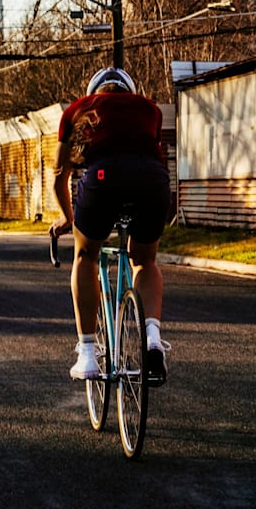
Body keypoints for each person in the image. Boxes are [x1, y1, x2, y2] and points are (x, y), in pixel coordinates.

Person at [50, 66, 172, 384]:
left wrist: (68, 217)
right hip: (152, 183)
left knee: (86, 256)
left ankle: (88, 353)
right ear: (129, 90)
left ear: (94, 91)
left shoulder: (78, 109)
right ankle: (153, 338)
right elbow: (145, 153)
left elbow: (59, 176)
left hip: (103, 180)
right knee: (145, 261)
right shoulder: (150, 109)